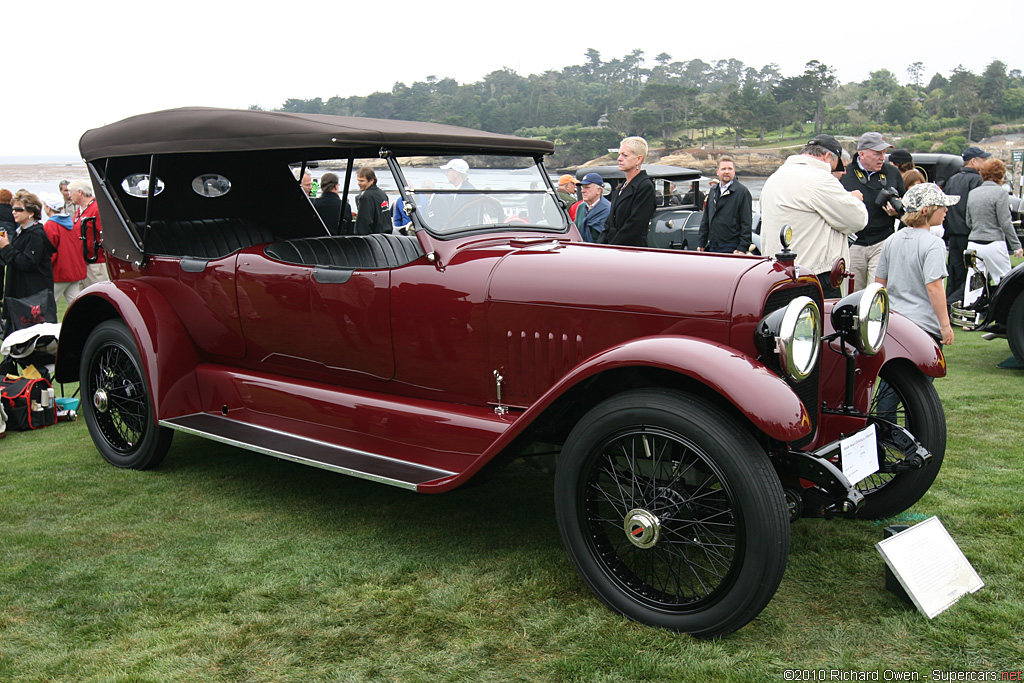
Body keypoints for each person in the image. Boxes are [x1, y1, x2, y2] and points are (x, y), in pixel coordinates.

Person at [760, 134, 867, 298]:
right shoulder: (820, 179)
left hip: (778, 276)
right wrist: (853, 199)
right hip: (815, 277)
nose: (840, 172)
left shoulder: (775, 178)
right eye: (837, 167)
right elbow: (858, 219)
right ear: (827, 157)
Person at [875, 183, 958, 347]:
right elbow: (934, 286)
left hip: (893, 323)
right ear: (926, 210)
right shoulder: (934, 244)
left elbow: (879, 283)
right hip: (922, 326)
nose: (946, 210)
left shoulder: (892, 239)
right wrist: (945, 325)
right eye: (942, 206)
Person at [840, 132, 905, 292]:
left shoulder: (892, 172)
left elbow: (904, 205)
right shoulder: (845, 174)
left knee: (877, 292)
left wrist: (897, 212)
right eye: (877, 154)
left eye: (884, 153)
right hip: (854, 242)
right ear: (861, 153)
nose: (882, 158)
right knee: (853, 294)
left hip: (882, 240)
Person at [0, 192, 57, 336]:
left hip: (31, 295)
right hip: (21, 292)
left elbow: (27, 263)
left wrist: (6, 247)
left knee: (32, 336)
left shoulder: (35, 234)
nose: (14, 212)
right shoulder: (22, 232)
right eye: (13, 208)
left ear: (31, 213)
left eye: (19, 209)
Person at [943, 146, 991, 302]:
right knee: (970, 273)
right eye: (982, 160)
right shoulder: (977, 180)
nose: (984, 163)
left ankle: (948, 305)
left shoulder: (952, 179)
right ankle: (959, 304)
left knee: (954, 272)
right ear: (973, 161)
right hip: (968, 233)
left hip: (952, 233)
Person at [966, 158, 1023, 286]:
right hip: (994, 243)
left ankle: (972, 305)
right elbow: (1005, 222)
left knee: (975, 285)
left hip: (974, 244)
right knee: (1006, 283)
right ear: (1001, 175)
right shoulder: (1001, 193)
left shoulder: (973, 193)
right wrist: (1016, 246)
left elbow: (969, 222)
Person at [602, 136, 656, 246]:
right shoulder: (622, 188)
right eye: (619, 154)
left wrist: (612, 246)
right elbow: (609, 223)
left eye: (624, 155)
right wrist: (600, 246)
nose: (619, 158)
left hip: (631, 251)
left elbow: (635, 226)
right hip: (613, 249)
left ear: (638, 159)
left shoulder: (645, 187)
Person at [696, 156, 753, 254]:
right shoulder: (713, 191)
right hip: (713, 244)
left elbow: (746, 223)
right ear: (717, 171)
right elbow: (706, 219)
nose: (727, 172)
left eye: (730, 169)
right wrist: (701, 242)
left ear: (734, 171)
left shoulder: (742, 192)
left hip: (732, 246)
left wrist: (742, 247)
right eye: (723, 169)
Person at [41, 192, 88, 304]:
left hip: (59, 272)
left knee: (49, 305)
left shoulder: (51, 225)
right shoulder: (71, 223)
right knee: (76, 305)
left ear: (48, 208)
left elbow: (50, 252)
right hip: (74, 271)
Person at [68, 179, 108, 284]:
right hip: (83, 262)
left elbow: (105, 234)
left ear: (80, 192)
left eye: (71, 192)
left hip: (96, 263)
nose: (69, 195)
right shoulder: (81, 210)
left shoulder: (96, 208)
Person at [573, 173, 611, 243]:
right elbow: (575, 232)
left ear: (599, 190)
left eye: (587, 187)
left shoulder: (608, 210)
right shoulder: (581, 207)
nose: (582, 191)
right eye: (582, 187)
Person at [353, 167, 390, 235]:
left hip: (373, 237)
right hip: (386, 235)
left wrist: (360, 237)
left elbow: (365, 221)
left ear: (372, 181)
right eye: (358, 181)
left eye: (362, 181)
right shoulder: (382, 194)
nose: (359, 183)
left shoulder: (367, 196)